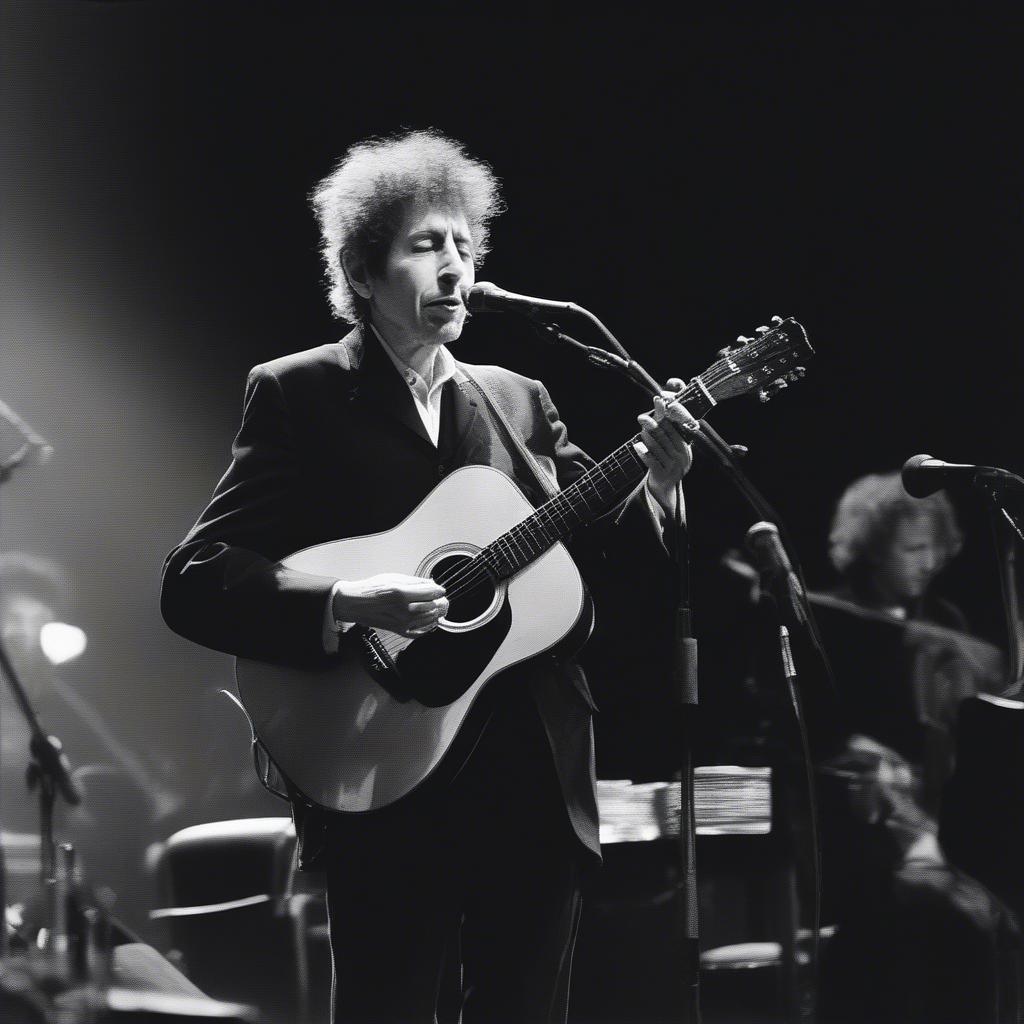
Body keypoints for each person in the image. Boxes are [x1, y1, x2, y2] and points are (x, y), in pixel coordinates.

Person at [159, 129, 696, 1024]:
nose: (454, 265)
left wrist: (660, 491)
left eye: (464, 245)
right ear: (362, 273)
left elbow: (593, 565)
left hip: (532, 774)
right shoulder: (299, 394)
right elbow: (196, 575)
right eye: (425, 244)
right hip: (381, 766)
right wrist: (340, 600)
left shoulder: (517, 397)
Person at [806, 472, 1018, 1024]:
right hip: (864, 828)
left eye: (934, 550)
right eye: (911, 549)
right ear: (872, 550)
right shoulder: (829, 625)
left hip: (942, 812)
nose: (927, 564)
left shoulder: (947, 625)